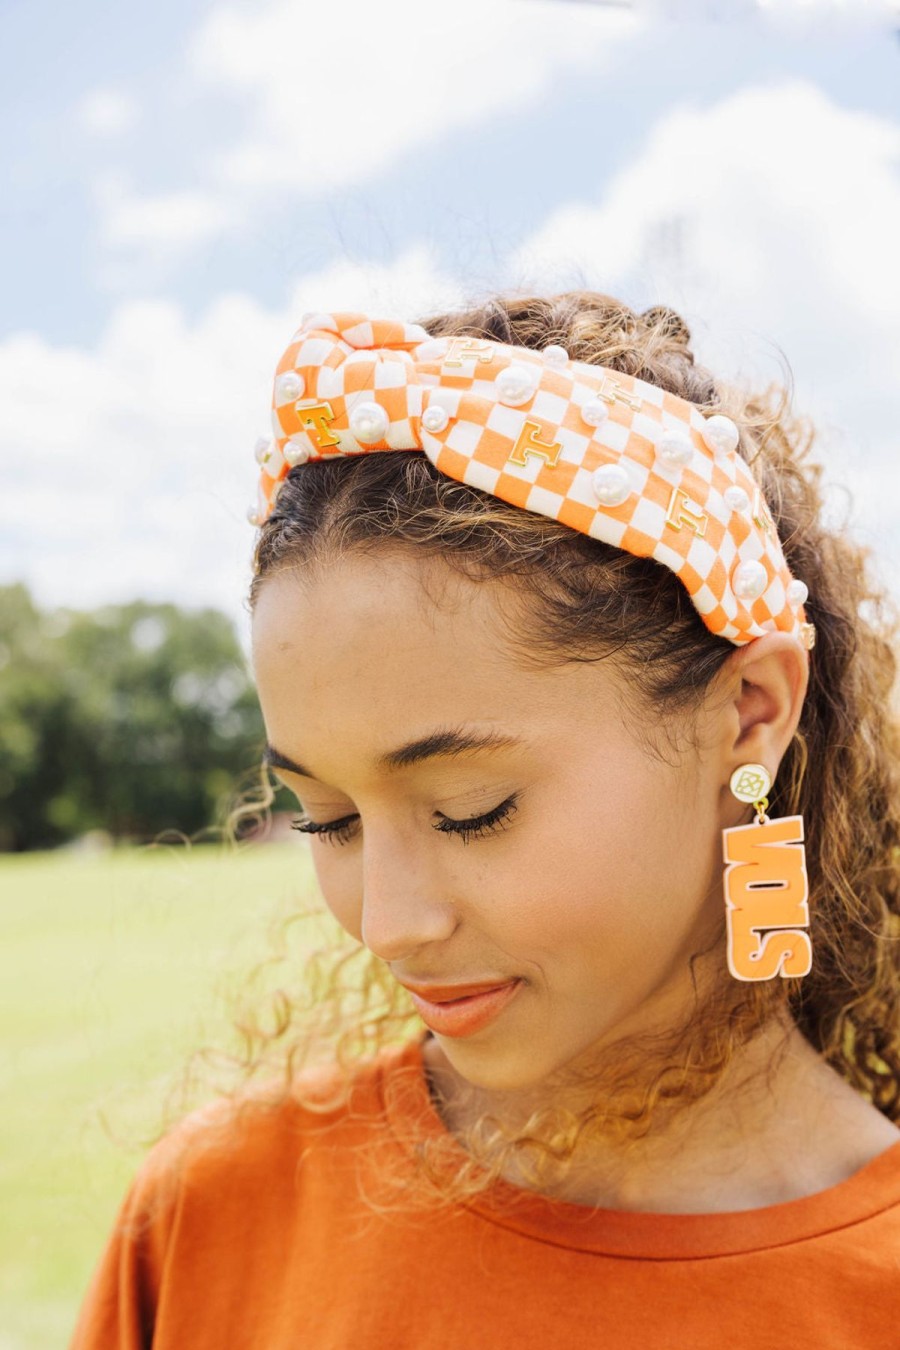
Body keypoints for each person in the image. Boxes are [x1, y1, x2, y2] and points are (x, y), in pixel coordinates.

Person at [70, 292, 900, 1348]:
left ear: (751, 713)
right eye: (327, 819)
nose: (388, 924)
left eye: (471, 811)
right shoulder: (211, 1217)